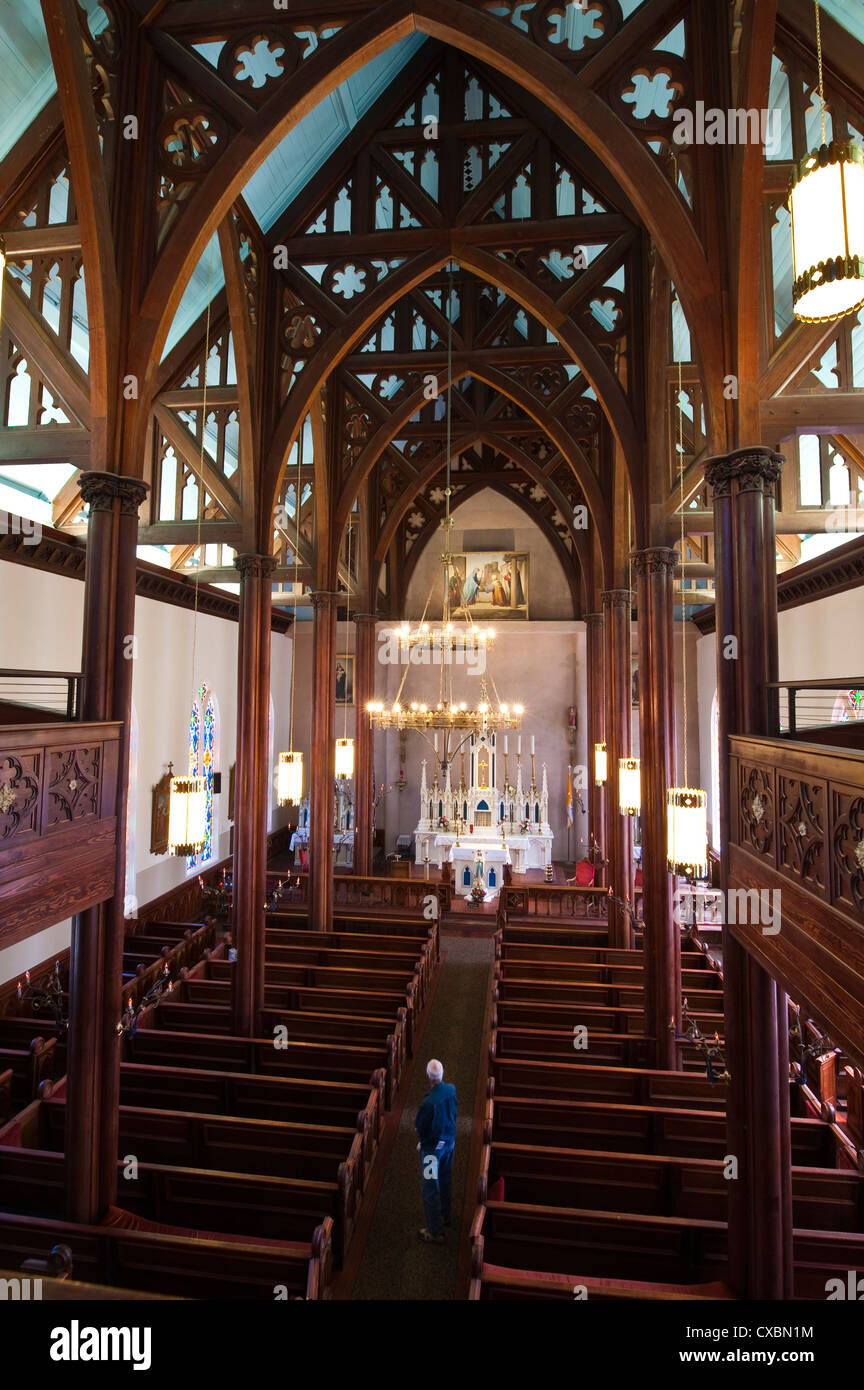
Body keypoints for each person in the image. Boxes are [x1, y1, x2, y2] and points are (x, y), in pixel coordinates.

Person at [415, 1058, 457, 1243]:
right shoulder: (452, 1090)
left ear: (428, 1077)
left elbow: (420, 1127)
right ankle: (446, 1215)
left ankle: (435, 1231)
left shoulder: (427, 1103)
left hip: (431, 1151)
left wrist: (422, 1142)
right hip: (449, 1143)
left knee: (430, 1188)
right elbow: (454, 1113)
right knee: (445, 1178)